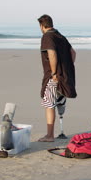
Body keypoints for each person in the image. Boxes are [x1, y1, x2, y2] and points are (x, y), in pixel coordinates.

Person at [37, 14, 77, 142]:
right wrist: (66, 69)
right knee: (58, 101)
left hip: (53, 77)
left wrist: (54, 73)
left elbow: (52, 53)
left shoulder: (47, 36)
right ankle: (57, 132)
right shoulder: (60, 36)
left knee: (49, 104)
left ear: (42, 26)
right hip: (64, 77)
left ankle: (49, 136)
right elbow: (73, 53)